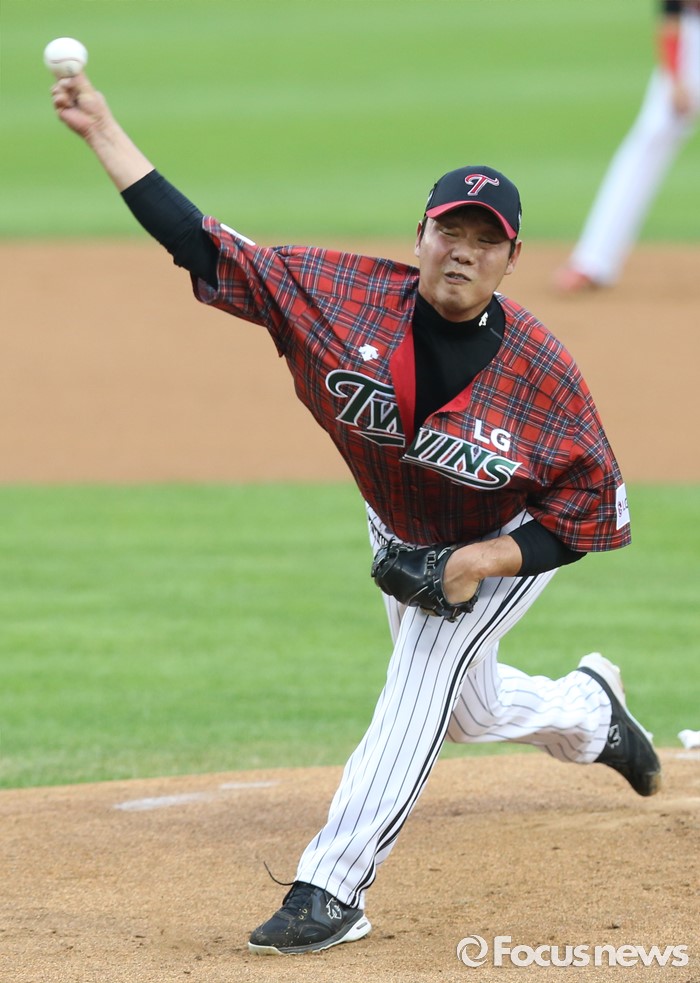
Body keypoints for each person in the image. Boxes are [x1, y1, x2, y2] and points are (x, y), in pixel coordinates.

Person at [51, 72, 662, 957]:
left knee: (420, 681)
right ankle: (591, 713)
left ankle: (331, 886)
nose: (462, 252)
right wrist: (103, 129)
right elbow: (205, 246)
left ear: (510, 259)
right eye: (450, 230)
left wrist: (477, 563)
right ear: (420, 234)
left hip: (498, 542)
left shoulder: (544, 374)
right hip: (398, 522)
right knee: (468, 707)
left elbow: (589, 511)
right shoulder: (337, 299)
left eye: (484, 240)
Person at [554, 0, 700, 293]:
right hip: (693, 42)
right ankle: (593, 261)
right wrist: (674, 79)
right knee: (649, 139)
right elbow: (671, 17)